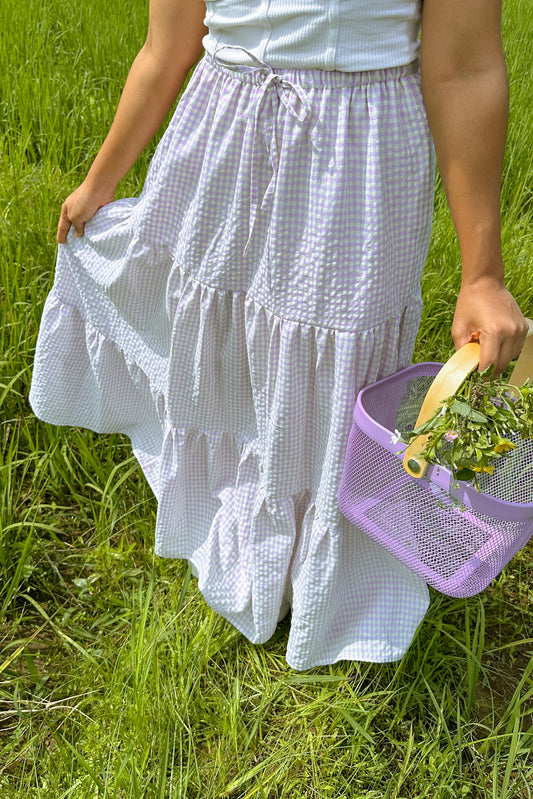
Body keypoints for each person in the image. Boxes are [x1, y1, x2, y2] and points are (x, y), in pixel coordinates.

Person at [29, 0, 527, 670]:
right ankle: (236, 522)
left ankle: (317, 565)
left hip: (358, 150)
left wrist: (482, 275)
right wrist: (101, 181)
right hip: (219, 128)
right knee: (221, 336)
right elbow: (167, 45)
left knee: (332, 358)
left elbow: (462, 68)